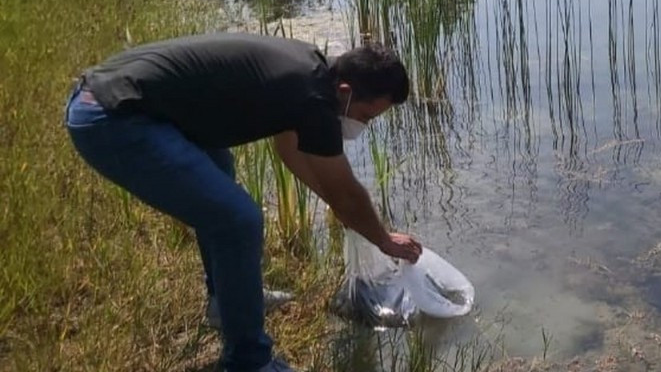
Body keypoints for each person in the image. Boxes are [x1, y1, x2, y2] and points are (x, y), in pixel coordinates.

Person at [63, 33, 424, 372]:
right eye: (366, 116)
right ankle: (249, 360)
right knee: (238, 220)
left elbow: (291, 150)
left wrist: (342, 211)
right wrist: (384, 239)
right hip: (112, 116)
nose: (363, 124)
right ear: (346, 91)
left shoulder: (310, 73)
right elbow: (346, 192)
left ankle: (228, 301)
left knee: (220, 169)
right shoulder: (315, 99)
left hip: (124, 101)